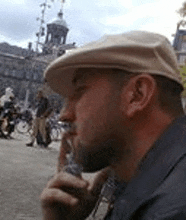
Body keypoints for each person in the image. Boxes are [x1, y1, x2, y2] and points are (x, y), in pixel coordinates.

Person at [40, 31, 186, 220]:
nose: (64, 114)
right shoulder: (150, 185)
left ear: (137, 95)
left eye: (79, 92)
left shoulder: (169, 209)